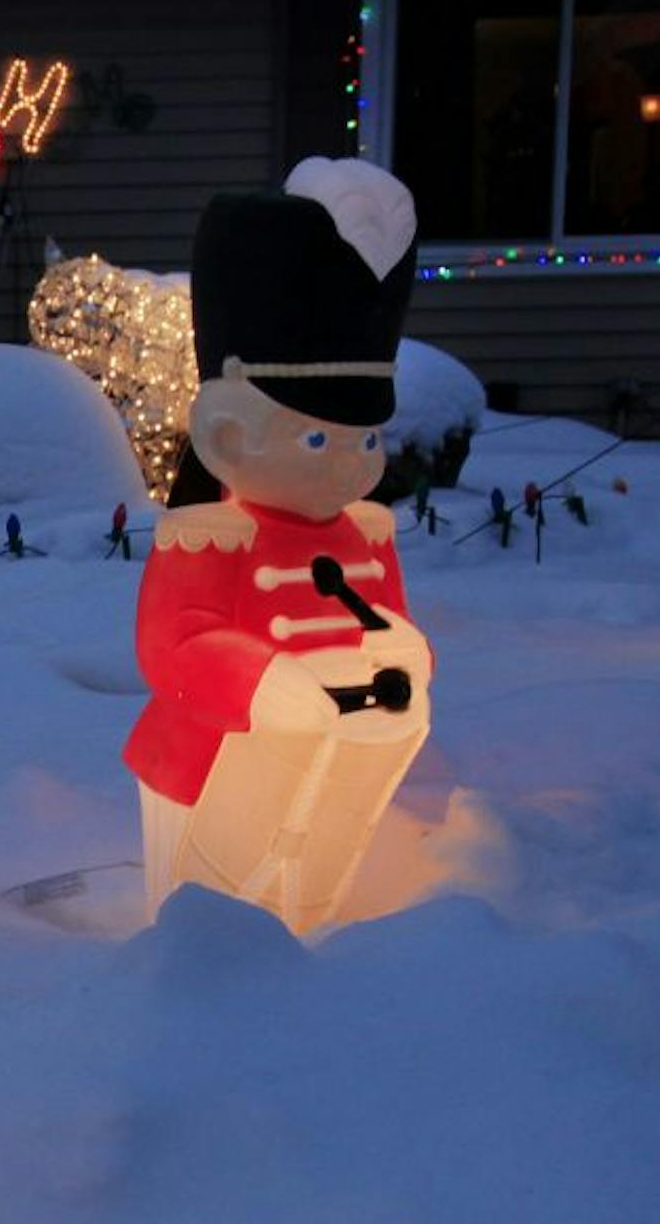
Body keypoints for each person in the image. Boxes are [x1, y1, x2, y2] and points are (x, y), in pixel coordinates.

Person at [125, 160, 432, 933]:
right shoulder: (208, 537)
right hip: (208, 764)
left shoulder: (364, 533)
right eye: (320, 436)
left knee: (310, 888)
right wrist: (263, 683)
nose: (352, 462)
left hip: (340, 765)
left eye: (366, 437)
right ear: (227, 432)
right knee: (209, 907)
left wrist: (402, 654)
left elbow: (384, 618)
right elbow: (175, 646)